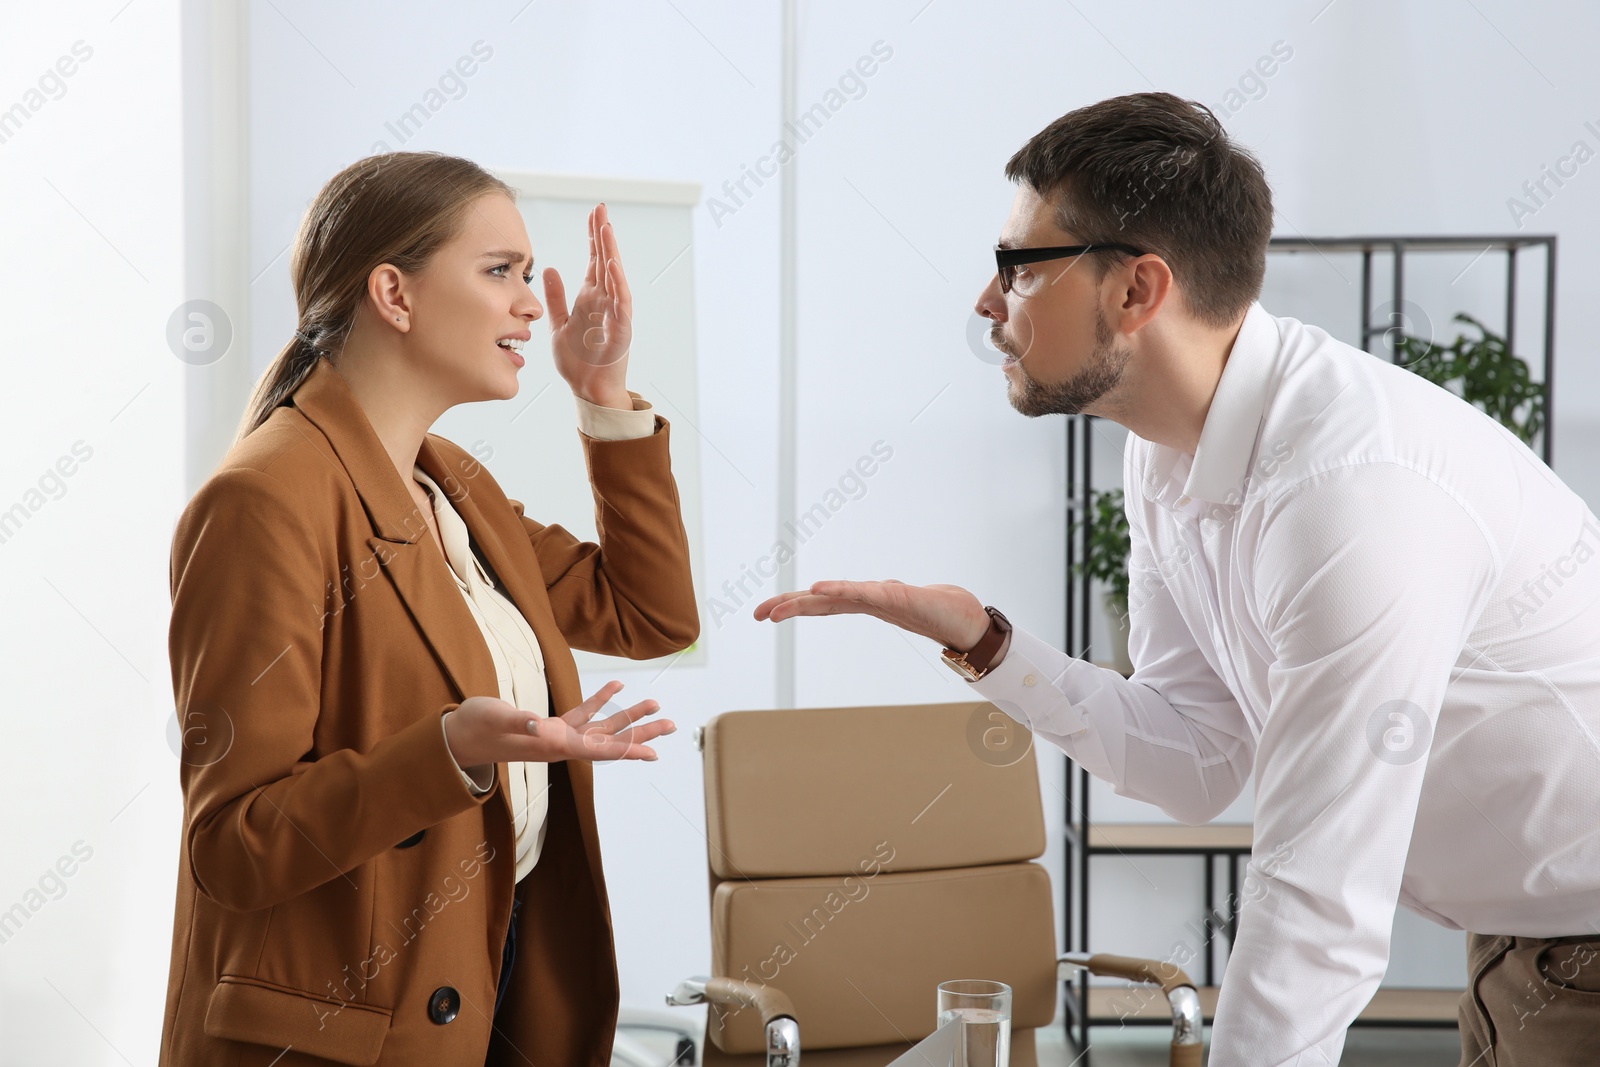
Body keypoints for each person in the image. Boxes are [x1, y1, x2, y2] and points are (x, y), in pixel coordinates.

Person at [755, 93, 1600, 1066]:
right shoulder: (1163, 455)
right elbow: (1195, 756)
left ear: (1135, 290)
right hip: (1518, 945)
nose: (986, 303)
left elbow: (1319, 902)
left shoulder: (1349, 494)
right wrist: (988, 644)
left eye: (1017, 267)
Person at [159, 151, 698, 1066]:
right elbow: (235, 844)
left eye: (529, 274)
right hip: (344, 1033)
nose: (533, 303)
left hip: (491, 986)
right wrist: (448, 749)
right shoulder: (265, 499)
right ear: (394, 295)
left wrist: (602, 397)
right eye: (501, 272)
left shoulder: (456, 486)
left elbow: (648, 613)